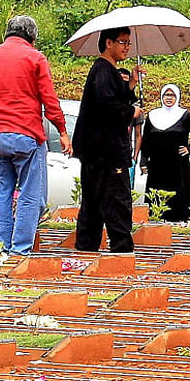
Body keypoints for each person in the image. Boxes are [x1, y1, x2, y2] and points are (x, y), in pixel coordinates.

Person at [0, 15, 71, 256]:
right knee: (30, 196)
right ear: (32, 37)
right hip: (26, 135)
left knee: (2, 195)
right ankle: (21, 250)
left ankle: (1, 249)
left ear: (7, 33)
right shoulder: (35, 58)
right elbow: (49, 100)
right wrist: (62, 131)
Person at [72, 26, 143, 252]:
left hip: (99, 150)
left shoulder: (108, 71)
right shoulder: (103, 70)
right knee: (116, 202)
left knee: (93, 204)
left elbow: (114, 96)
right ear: (108, 43)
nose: (127, 47)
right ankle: (121, 251)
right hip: (106, 151)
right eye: (122, 42)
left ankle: (86, 249)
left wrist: (130, 84)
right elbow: (107, 105)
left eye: (128, 43)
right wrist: (130, 112)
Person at [140, 84, 190, 222]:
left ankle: (178, 225)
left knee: (179, 197)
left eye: (172, 95)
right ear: (161, 96)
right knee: (157, 197)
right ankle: (157, 225)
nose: (169, 98)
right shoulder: (153, 115)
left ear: (177, 97)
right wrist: (143, 161)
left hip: (178, 165)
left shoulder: (184, 115)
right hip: (157, 165)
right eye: (166, 95)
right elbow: (146, 140)